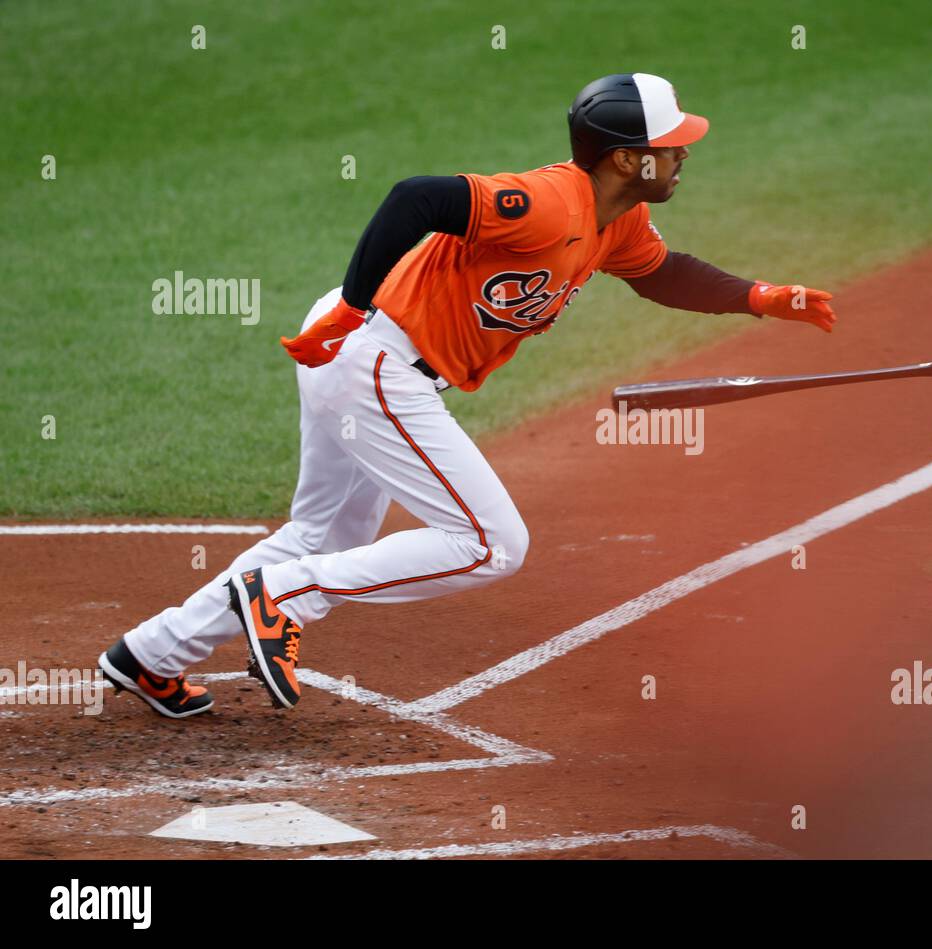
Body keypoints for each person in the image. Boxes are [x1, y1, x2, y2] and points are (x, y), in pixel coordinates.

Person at [97, 72, 837, 719]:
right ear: (625, 157)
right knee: (492, 543)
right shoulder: (549, 202)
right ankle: (282, 596)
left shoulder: (620, 221)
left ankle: (149, 653)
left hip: (369, 354)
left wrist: (763, 297)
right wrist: (353, 308)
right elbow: (413, 199)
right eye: (671, 144)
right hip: (375, 356)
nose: (683, 154)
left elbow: (662, 272)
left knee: (324, 538)